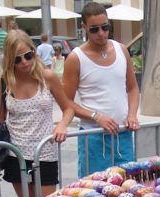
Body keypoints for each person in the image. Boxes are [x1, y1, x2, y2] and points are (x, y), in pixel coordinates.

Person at [62, 1, 140, 178]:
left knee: (126, 189)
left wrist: (132, 114)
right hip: (94, 138)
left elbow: (133, 88)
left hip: (123, 135)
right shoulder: (76, 58)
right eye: (94, 29)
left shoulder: (121, 50)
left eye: (105, 27)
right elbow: (66, 102)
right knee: (94, 192)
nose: (101, 33)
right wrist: (96, 117)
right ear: (84, 28)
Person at [0, 30, 74, 197]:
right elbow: (0, 119)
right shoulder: (5, 80)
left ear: (34, 52)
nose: (24, 62)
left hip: (45, 152)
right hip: (16, 154)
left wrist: (62, 125)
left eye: (28, 55)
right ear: (10, 60)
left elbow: (68, 108)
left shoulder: (47, 76)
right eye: (17, 59)